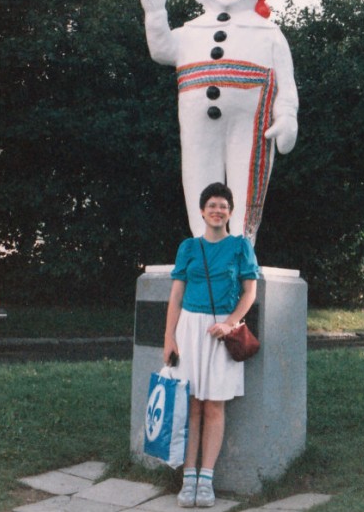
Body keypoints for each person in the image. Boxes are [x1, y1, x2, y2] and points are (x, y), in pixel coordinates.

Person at [139, 0, 298, 244]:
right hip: (197, 120)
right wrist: (155, 13)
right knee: (198, 175)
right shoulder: (190, 31)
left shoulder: (269, 33)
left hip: (251, 118)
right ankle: (204, 242)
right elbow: (162, 49)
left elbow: (286, 83)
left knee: (246, 179)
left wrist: (287, 115)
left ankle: (241, 242)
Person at [164, 182, 259, 507]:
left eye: (223, 206)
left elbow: (250, 292)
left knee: (215, 405)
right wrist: (169, 337)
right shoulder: (188, 247)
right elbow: (176, 295)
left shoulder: (240, 246)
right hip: (190, 331)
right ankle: (187, 478)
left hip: (222, 333)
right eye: (212, 206)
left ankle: (206, 481)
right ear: (202, 211)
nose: (217, 211)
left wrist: (229, 323)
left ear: (230, 213)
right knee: (191, 404)